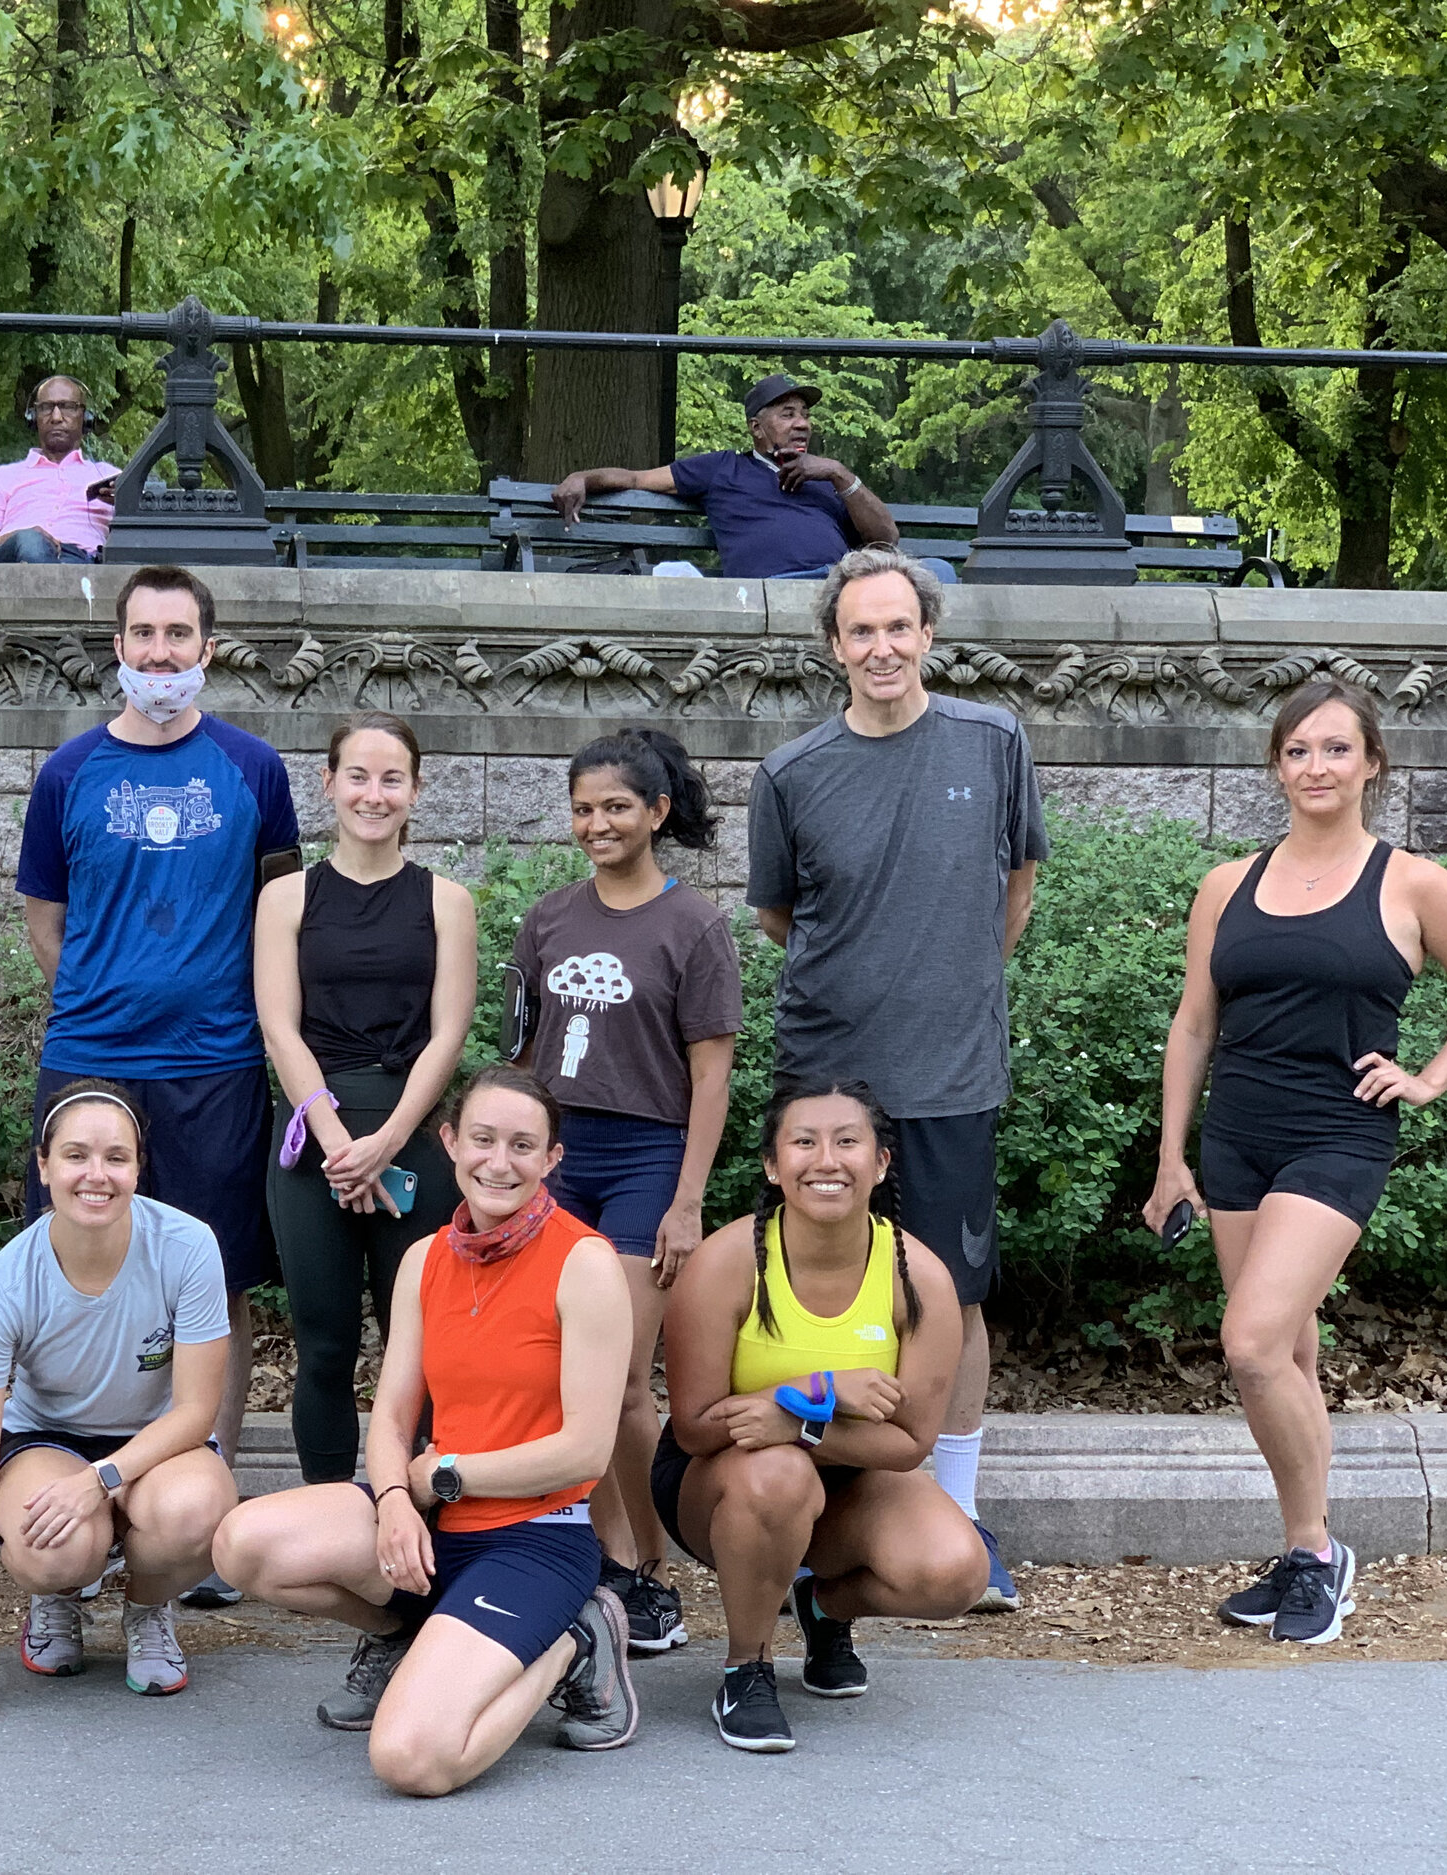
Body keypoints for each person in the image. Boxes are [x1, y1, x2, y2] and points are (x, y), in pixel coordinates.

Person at [1146, 681, 1447, 1646]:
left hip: (1339, 1133)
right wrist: (1170, 1159)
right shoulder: (1228, 883)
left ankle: (1317, 1552)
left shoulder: (1414, 884)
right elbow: (1194, 1025)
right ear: (1279, 766)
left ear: (1372, 764)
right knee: (1290, 1353)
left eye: (1337, 750)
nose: (1317, 766)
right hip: (1237, 1136)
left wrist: (1433, 1076)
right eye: (1299, 750)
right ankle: (1300, 1550)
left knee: (1252, 1342)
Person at [747, 545, 1048, 1610]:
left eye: (896, 626)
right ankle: (808, 1514)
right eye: (859, 630)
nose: (881, 646)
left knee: (952, 1298)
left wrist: (949, 985)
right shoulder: (791, 774)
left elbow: (1012, 886)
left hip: (952, 1074)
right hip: (826, 1074)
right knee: (811, 1288)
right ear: (833, 647)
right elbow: (783, 918)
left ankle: (958, 1515)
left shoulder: (992, 738)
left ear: (927, 632)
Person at [213, 1067, 638, 1792]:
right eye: (482, 1138)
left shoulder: (585, 1263)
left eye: (522, 1145)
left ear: (551, 1160)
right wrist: (393, 1503)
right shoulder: (424, 1259)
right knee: (241, 1544)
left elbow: (586, 1451)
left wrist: (442, 1476)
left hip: (534, 1535)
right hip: (432, 1518)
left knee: (411, 1760)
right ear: (449, 1142)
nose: (498, 1161)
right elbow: (393, 1417)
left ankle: (570, 1642)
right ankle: (406, 1634)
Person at [15, 563, 299, 1606]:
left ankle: (200, 1516)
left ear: (208, 649)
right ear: (118, 648)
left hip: (217, 1064)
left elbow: (279, 912)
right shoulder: (69, 773)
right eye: (143, 634)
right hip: (91, 1057)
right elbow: (46, 917)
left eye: (179, 634)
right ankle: (68, 1498)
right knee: (76, 1270)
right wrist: (106, 1001)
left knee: (212, 1282)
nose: (161, 653)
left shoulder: (253, 769)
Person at [656, 1079, 986, 1753]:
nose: (826, 1160)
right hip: (721, 1481)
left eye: (847, 1141)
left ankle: (824, 1605)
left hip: (852, 1476)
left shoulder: (919, 1276)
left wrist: (799, 1422)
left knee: (954, 1571)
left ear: (881, 1162)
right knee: (778, 1476)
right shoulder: (727, 1262)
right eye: (803, 1141)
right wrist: (816, 1387)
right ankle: (746, 1667)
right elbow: (693, 1426)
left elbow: (909, 1442)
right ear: (774, 1165)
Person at [509, 729, 741, 1653]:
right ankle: (602, 1560)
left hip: (648, 1161)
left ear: (657, 813)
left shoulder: (696, 927)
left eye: (614, 806)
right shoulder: (549, 919)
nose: (596, 823)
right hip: (558, 1162)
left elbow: (713, 1078)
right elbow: (521, 1061)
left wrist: (687, 1200)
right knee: (560, 1379)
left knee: (620, 1384)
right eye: (581, 808)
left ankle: (656, 1570)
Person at [0, 1083, 239, 1717]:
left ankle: (147, 1609)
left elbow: (197, 1412)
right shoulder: (6, 1283)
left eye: (117, 1157)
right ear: (43, 1166)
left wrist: (102, 1480)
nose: (97, 1175)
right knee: (55, 1548)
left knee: (195, 1512)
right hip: (47, 1441)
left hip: (160, 1439)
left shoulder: (189, 1246)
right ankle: (58, 1595)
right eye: (75, 1156)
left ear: (139, 1168)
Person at [255, 711, 478, 1486]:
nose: (373, 794)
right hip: (312, 1140)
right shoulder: (285, 897)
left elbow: (448, 1035)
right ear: (328, 783)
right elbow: (280, 1028)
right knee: (322, 1342)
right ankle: (325, 1514)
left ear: (415, 792)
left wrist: (385, 1141)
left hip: (412, 1137)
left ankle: (414, 1513)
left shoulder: (447, 901)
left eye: (391, 779)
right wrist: (335, 1141)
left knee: (417, 1343)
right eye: (358, 775)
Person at [549, 374, 949, 582]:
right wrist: (582, 476)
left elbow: (885, 540)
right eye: (788, 414)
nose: (802, 424)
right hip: (774, 587)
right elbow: (635, 479)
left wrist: (838, 474)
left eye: (805, 415)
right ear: (757, 429)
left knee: (940, 572)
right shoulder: (724, 468)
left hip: (843, 583)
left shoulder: (827, 477)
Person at [0, 375, 121, 563]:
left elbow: (145, 537)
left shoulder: (108, 476)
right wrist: (23, 536)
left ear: (86, 417)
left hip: (82, 564)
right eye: (46, 408)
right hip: (16, 562)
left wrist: (126, 504)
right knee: (31, 542)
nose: (56, 417)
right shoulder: (2, 477)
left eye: (68, 407)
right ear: (33, 418)